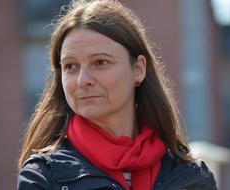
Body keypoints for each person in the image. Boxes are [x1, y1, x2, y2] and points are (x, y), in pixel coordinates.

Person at [17, 0, 217, 189]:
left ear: (138, 69)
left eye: (100, 62)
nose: (82, 80)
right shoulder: (43, 177)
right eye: (70, 66)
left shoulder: (192, 177)